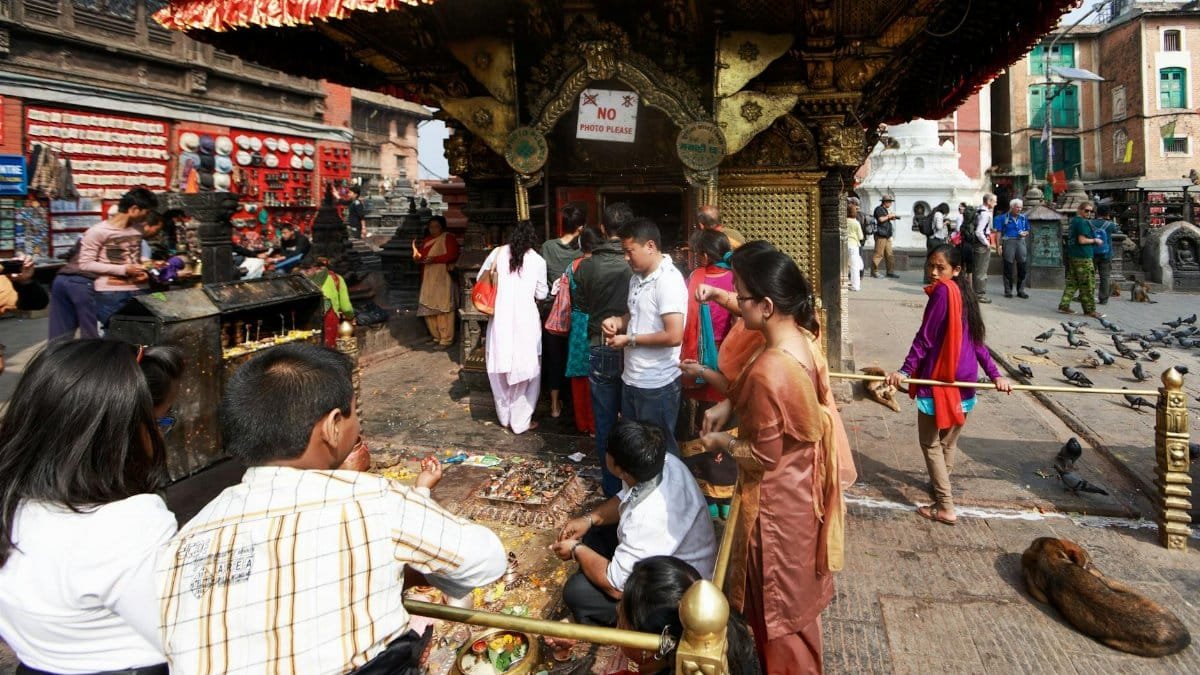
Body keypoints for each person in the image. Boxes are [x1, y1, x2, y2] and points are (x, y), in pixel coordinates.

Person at [158, 343, 506, 675]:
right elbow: (486, 560)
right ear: (332, 425)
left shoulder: (183, 541)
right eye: (355, 413)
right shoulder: (372, 500)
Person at [699, 245, 857, 673]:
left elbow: (762, 456)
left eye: (741, 296)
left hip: (775, 508)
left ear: (766, 306)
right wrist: (730, 404)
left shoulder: (772, 367)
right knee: (796, 612)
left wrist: (721, 444)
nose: (736, 303)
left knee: (779, 617)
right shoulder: (799, 341)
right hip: (801, 492)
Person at [0, 340, 177, 675]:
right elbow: (183, 634)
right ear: (120, 435)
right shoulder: (131, 524)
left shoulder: (12, 502)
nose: (163, 434)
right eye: (162, 421)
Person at [886, 244, 1011, 526]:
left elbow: (925, 338)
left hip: (941, 379)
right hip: (965, 380)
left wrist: (904, 370)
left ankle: (945, 505)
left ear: (956, 270)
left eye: (940, 267)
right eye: (930, 265)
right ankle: (940, 487)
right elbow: (978, 343)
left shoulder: (943, 292)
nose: (933, 272)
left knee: (930, 444)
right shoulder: (963, 294)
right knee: (948, 442)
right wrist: (995, 376)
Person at [552, 421, 716, 627]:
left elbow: (616, 587)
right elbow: (626, 497)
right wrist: (589, 519)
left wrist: (576, 549)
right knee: (595, 533)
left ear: (620, 469)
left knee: (578, 593)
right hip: (662, 556)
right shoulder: (661, 462)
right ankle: (593, 571)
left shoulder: (646, 518)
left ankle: (605, 621)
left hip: (679, 594)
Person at [602, 218, 688, 457]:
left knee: (659, 451)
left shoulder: (668, 281)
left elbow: (673, 335)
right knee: (634, 449)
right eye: (624, 252)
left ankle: (667, 494)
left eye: (630, 251)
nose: (626, 258)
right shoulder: (636, 278)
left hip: (657, 382)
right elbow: (636, 314)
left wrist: (629, 340)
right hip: (633, 377)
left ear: (650, 246)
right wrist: (619, 322)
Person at [575, 206, 635, 495]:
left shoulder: (586, 266)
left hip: (599, 343)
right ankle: (635, 483)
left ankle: (612, 488)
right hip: (634, 348)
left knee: (605, 420)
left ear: (602, 227)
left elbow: (583, 306)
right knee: (635, 421)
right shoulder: (633, 263)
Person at [479, 221, 549, 434]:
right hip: (526, 321)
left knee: (500, 369)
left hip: (500, 319)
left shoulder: (497, 253)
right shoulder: (537, 260)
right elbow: (542, 294)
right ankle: (520, 421)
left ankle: (504, 417)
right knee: (527, 371)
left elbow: (482, 278)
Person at [678, 229, 734, 432]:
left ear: (703, 256)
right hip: (729, 356)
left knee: (696, 420)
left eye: (693, 253)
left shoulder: (694, 278)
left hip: (697, 355)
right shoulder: (736, 279)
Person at [78, 187, 157, 327]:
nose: (147, 217)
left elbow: (134, 257)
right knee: (116, 337)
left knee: (142, 336)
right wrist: (124, 270)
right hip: (111, 293)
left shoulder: (138, 229)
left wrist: (148, 265)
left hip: (139, 289)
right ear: (134, 209)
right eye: (147, 212)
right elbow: (85, 264)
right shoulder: (97, 232)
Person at [542, 206, 585, 417]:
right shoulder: (581, 253)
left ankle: (554, 405)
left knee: (554, 358)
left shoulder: (547, 247)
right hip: (576, 311)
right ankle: (574, 403)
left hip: (552, 311)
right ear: (581, 227)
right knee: (573, 356)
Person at [564, 227, 607, 436]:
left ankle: (582, 423)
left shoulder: (572, 267)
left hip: (578, 321)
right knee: (598, 373)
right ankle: (597, 424)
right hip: (599, 321)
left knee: (579, 375)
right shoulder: (603, 266)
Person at [414, 215, 460, 348]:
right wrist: (418, 258)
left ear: (442, 227)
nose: (433, 229)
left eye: (436, 227)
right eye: (431, 227)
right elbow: (421, 256)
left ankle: (446, 339)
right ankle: (436, 336)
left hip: (443, 278)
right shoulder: (427, 240)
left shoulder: (448, 238)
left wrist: (434, 259)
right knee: (428, 306)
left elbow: (452, 255)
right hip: (428, 278)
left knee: (443, 308)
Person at [1058, 201, 1105, 318]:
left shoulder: (1074, 221)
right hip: (1083, 256)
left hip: (1073, 255)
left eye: (1091, 211)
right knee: (1088, 284)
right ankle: (1090, 310)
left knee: (1073, 282)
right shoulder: (1082, 222)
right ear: (1080, 210)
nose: (1089, 213)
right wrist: (1095, 240)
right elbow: (1082, 240)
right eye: (1086, 210)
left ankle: (1064, 304)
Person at [301, 258, 356, 347]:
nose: (305, 272)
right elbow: (346, 307)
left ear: (320, 268)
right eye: (305, 269)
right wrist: (351, 317)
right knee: (330, 348)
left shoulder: (301, 281)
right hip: (329, 317)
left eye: (307, 269)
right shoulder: (336, 278)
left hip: (307, 320)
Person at [994, 198, 1030, 299]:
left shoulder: (1023, 218)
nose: (1019, 209)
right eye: (1017, 207)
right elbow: (999, 232)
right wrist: (998, 246)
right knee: (1008, 266)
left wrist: (1025, 233)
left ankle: (1021, 290)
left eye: (1020, 207)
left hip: (1021, 242)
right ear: (1012, 207)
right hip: (1008, 242)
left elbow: (1027, 230)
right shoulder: (1002, 218)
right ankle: (1008, 290)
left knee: (1022, 266)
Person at [971, 192, 997, 303]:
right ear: (988, 201)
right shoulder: (985, 214)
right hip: (981, 245)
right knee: (981, 271)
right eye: (994, 201)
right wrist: (987, 243)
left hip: (976, 244)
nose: (996, 203)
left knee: (977, 270)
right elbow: (979, 232)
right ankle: (979, 294)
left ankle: (976, 292)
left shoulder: (978, 211)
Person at [1092, 204, 1118, 306]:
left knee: (1090, 275)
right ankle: (1103, 299)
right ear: (1107, 214)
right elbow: (1116, 231)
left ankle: (1087, 295)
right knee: (1105, 277)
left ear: (1096, 212)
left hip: (1092, 252)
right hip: (1106, 253)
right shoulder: (1110, 225)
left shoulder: (1090, 223)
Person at [870, 195, 900, 278]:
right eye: (889, 202)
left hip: (887, 235)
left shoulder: (885, 210)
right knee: (879, 254)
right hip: (880, 235)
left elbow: (884, 220)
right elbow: (880, 219)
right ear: (885, 202)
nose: (890, 203)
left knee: (889, 254)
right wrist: (888, 216)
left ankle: (890, 272)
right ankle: (874, 271)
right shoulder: (879, 209)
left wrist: (890, 218)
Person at [845, 201, 865, 291]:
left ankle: (844, 282)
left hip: (844, 245)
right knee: (855, 267)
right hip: (853, 245)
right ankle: (855, 285)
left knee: (844, 265)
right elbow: (861, 236)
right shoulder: (856, 223)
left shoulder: (844, 221)